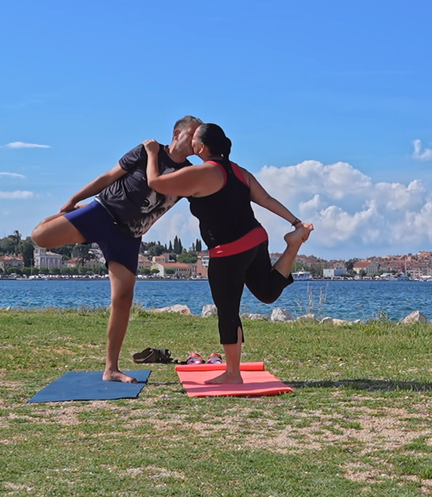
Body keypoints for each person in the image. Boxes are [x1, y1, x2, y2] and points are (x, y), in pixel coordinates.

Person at [31, 115, 202, 383]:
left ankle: (111, 369)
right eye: (191, 134)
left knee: (122, 299)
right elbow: (109, 176)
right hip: (103, 213)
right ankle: (80, 217)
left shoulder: (189, 173)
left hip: (128, 236)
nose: (194, 141)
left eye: (198, 137)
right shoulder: (147, 151)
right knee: (40, 236)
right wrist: (74, 201)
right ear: (176, 132)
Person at [142, 123, 313, 384]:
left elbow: (155, 182)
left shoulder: (202, 173)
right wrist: (296, 222)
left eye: (194, 142)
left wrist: (152, 152)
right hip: (256, 238)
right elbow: (266, 200)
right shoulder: (240, 172)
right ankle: (293, 245)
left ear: (201, 147)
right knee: (266, 293)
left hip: (229, 250)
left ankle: (233, 373)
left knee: (227, 310)